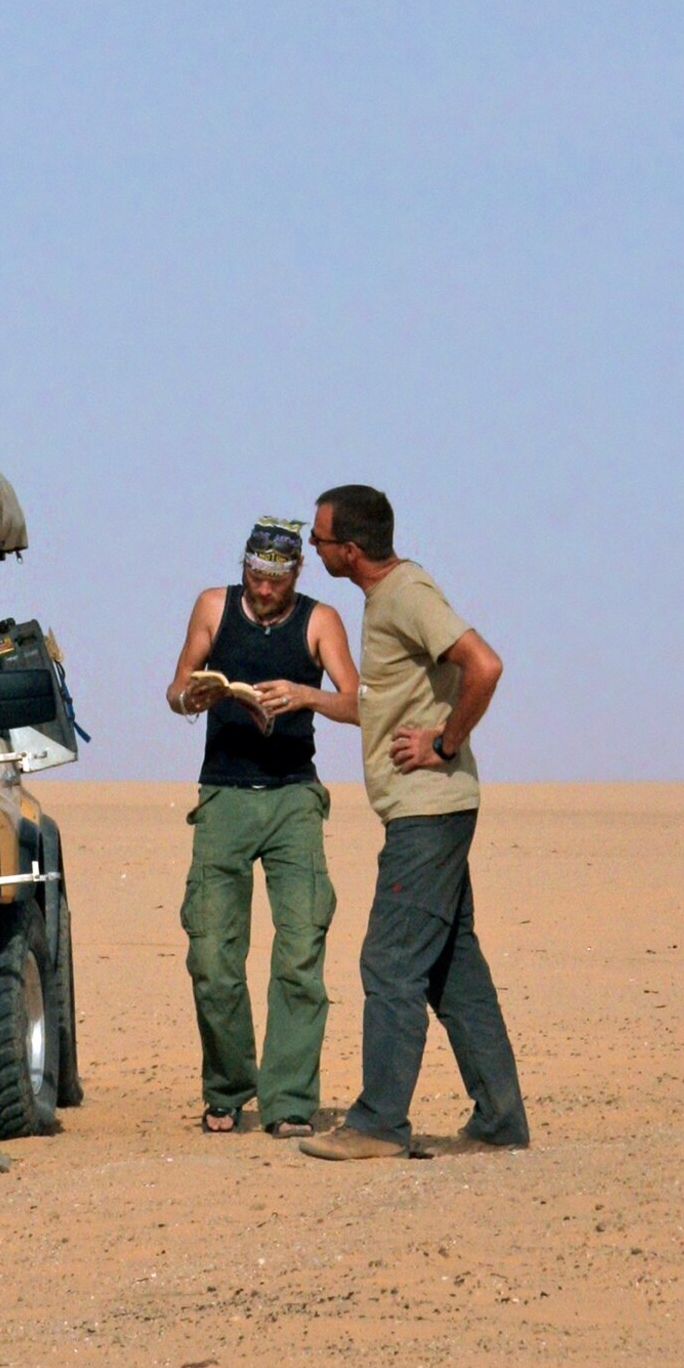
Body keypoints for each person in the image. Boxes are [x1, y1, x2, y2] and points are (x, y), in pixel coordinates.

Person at [298, 484, 530, 1162]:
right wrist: (310, 698)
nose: (313, 552)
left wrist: (445, 743)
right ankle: (499, 1121)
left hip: (429, 813)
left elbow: (483, 665)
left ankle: (377, 1124)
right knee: (451, 970)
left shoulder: (406, 594)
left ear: (350, 547)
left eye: (319, 541)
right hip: (429, 813)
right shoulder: (384, 602)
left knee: (391, 960)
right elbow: (381, 707)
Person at [165, 515, 360, 1136]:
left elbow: (358, 703)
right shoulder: (213, 606)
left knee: (301, 952)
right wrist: (192, 697)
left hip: (293, 800)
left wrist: (305, 697)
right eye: (254, 574)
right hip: (222, 797)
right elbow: (175, 688)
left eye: (275, 578)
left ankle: (291, 1103)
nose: (263, 587)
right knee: (213, 954)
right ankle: (226, 1090)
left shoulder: (320, 619)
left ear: (295, 573)